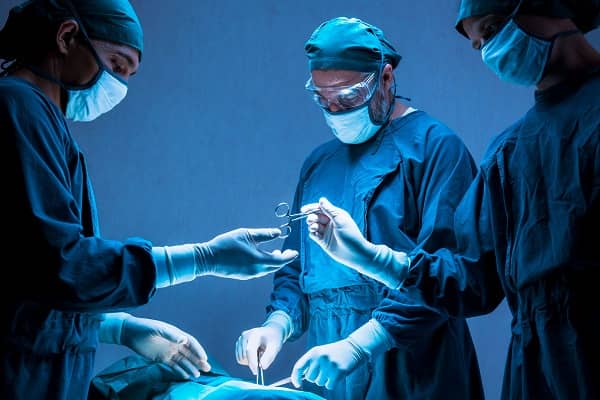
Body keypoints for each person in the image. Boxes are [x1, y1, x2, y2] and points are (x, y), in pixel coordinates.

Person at [0, 1, 298, 399]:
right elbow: (60, 267)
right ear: (67, 37)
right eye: (117, 64)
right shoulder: (17, 107)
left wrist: (116, 327)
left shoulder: (44, 120)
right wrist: (200, 258)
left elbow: (27, 276)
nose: (120, 84)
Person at [302, 1, 600, 399]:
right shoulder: (511, 152)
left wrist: (366, 336)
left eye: (493, 28)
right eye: (479, 44)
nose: (489, 50)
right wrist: (373, 258)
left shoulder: (440, 146)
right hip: (537, 367)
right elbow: (472, 281)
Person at [236, 17, 485, 400]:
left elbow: (449, 274)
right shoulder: (319, 164)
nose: (335, 109)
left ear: (385, 79)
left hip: (415, 370)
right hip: (333, 372)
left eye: (348, 97)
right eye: (323, 99)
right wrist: (278, 323)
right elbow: (298, 268)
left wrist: (363, 343)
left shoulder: (435, 149)